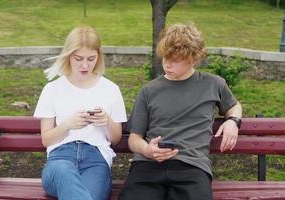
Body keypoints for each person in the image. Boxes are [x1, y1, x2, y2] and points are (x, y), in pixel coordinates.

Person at [118, 23, 242, 200]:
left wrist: (233, 121)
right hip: (148, 165)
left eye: (174, 59)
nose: (167, 64)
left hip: (191, 166)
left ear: (193, 59)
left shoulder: (213, 84)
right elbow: (134, 139)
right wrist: (147, 150)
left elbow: (234, 106)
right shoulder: (149, 90)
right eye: (165, 57)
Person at [34, 26, 127, 200]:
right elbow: (46, 140)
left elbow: (115, 139)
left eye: (91, 58)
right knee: (64, 170)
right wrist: (68, 124)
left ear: (98, 56)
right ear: (68, 55)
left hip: (96, 160)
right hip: (60, 159)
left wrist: (106, 121)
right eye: (78, 59)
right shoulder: (52, 89)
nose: (85, 65)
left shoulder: (110, 89)